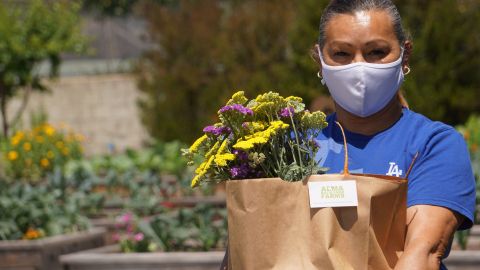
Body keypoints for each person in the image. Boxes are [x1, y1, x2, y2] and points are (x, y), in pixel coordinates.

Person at [221, 1, 476, 269]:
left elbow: (422, 254)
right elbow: (246, 249)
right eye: (341, 53)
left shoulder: (433, 144)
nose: (360, 68)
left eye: (376, 52)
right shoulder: (286, 147)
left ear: (405, 55)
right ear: (320, 60)